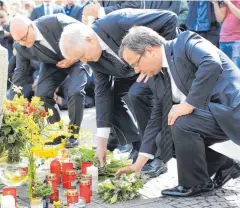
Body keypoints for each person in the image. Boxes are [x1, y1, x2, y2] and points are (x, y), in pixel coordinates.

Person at [116, 26, 240, 196]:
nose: (136, 70)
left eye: (135, 63)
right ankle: (225, 166)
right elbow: (156, 118)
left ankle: (195, 184)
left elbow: (211, 63)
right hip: (211, 113)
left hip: (236, 108)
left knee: (180, 122)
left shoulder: (185, 42)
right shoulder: (156, 77)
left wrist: (189, 104)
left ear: (149, 51)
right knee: (163, 138)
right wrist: (138, 165)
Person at [59, 9, 178, 177]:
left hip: (154, 64)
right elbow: (102, 94)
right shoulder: (93, 56)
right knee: (111, 99)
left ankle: (156, 157)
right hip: (129, 71)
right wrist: (101, 145)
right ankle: (139, 147)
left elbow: (169, 18)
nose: (84, 62)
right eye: (80, 60)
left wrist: (161, 59)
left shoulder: (119, 22)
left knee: (136, 94)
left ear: (89, 40)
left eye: (82, 56)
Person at [9, 14, 90, 148]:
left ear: (31, 26)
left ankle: (73, 135)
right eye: (19, 40)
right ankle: (57, 132)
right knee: (41, 96)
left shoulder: (55, 21)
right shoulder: (20, 46)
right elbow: (20, 74)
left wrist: (74, 56)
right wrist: (12, 103)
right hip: (53, 64)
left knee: (75, 91)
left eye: (24, 38)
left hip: (77, 57)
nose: (24, 43)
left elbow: (83, 32)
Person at [212, 0, 240, 70]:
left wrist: (228, 3)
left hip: (238, 40)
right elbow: (220, 19)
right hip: (223, 38)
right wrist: (215, 3)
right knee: (224, 73)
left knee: (235, 73)